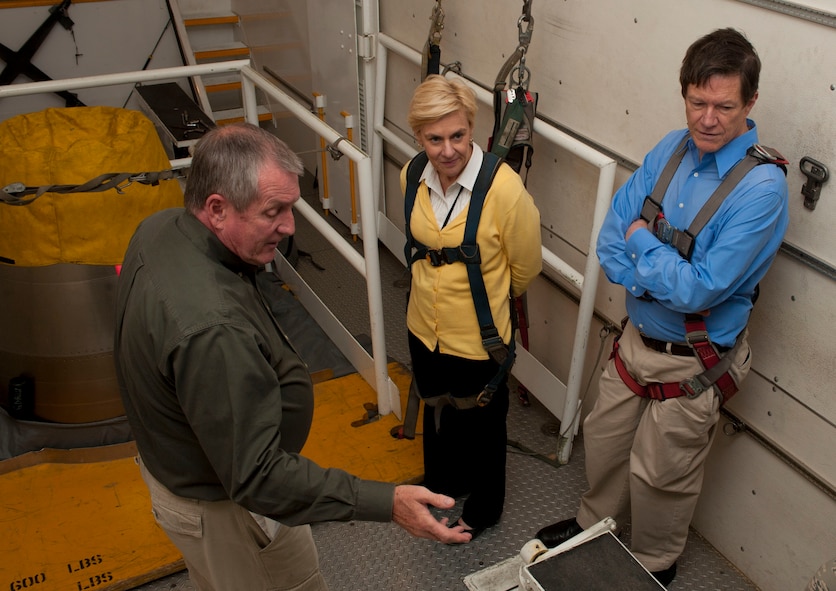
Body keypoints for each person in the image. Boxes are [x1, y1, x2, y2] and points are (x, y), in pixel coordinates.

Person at [114, 122, 470, 591]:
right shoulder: (213, 330)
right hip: (228, 512)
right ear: (217, 209)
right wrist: (387, 502)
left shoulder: (159, 228)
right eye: (273, 211)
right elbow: (256, 475)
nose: (289, 226)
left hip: (181, 478)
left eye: (291, 207)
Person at [534, 28, 789, 587]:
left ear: (750, 103)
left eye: (725, 106)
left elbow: (701, 290)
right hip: (636, 342)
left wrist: (643, 243)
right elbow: (608, 241)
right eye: (697, 102)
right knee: (603, 441)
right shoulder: (668, 150)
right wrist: (655, 273)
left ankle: (653, 562)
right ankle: (591, 523)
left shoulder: (762, 190)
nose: (708, 118)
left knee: (660, 474)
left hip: (694, 362)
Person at [400, 75, 542, 541]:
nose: (446, 151)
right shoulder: (411, 177)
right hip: (423, 327)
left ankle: (484, 508)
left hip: (480, 340)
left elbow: (524, 269)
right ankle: (442, 485)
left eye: (457, 135)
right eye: (433, 138)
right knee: (437, 412)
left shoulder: (504, 191)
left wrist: (484, 307)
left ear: (473, 130)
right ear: (419, 137)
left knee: (483, 428)